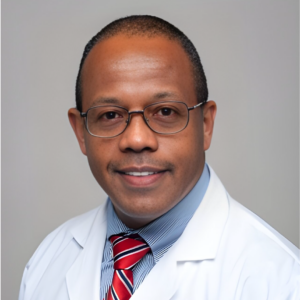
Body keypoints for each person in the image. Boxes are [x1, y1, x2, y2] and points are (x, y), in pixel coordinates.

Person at [19, 15, 300, 300]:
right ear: (81, 131)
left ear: (205, 125)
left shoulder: (280, 281)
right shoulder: (48, 260)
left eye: (165, 111)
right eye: (111, 115)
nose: (137, 140)